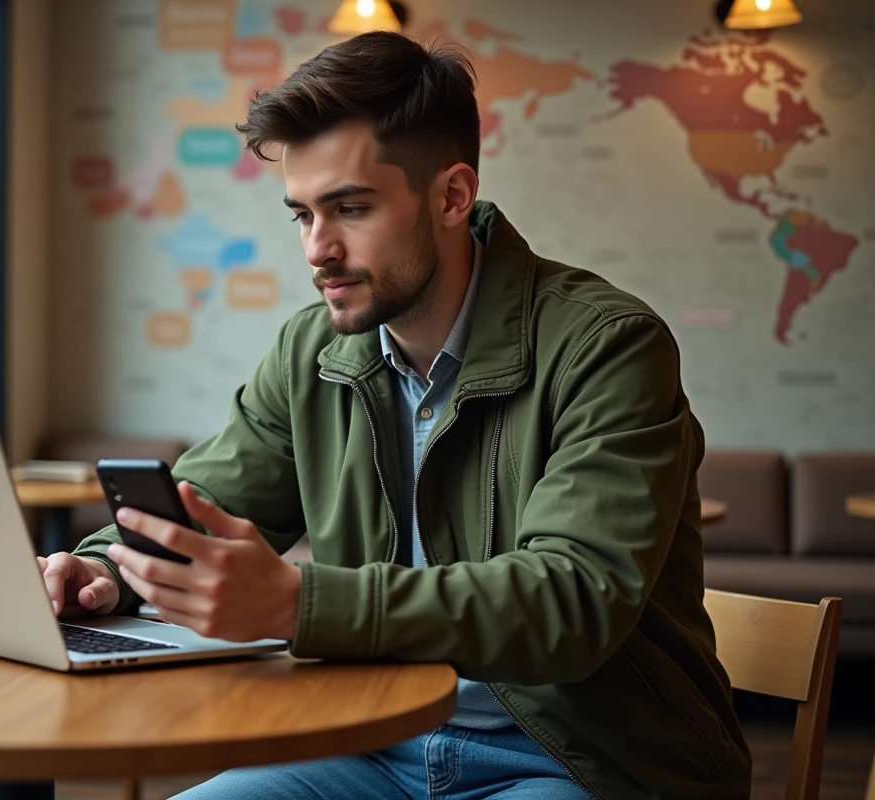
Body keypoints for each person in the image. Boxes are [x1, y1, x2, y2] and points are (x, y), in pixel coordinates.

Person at [38, 32, 751, 799]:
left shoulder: (609, 347)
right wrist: (104, 572)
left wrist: (296, 603)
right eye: (302, 215)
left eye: (350, 208)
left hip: (579, 759)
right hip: (368, 739)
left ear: (451, 196)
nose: (318, 249)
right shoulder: (310, 351)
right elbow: (205, 505)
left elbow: (571, 601)